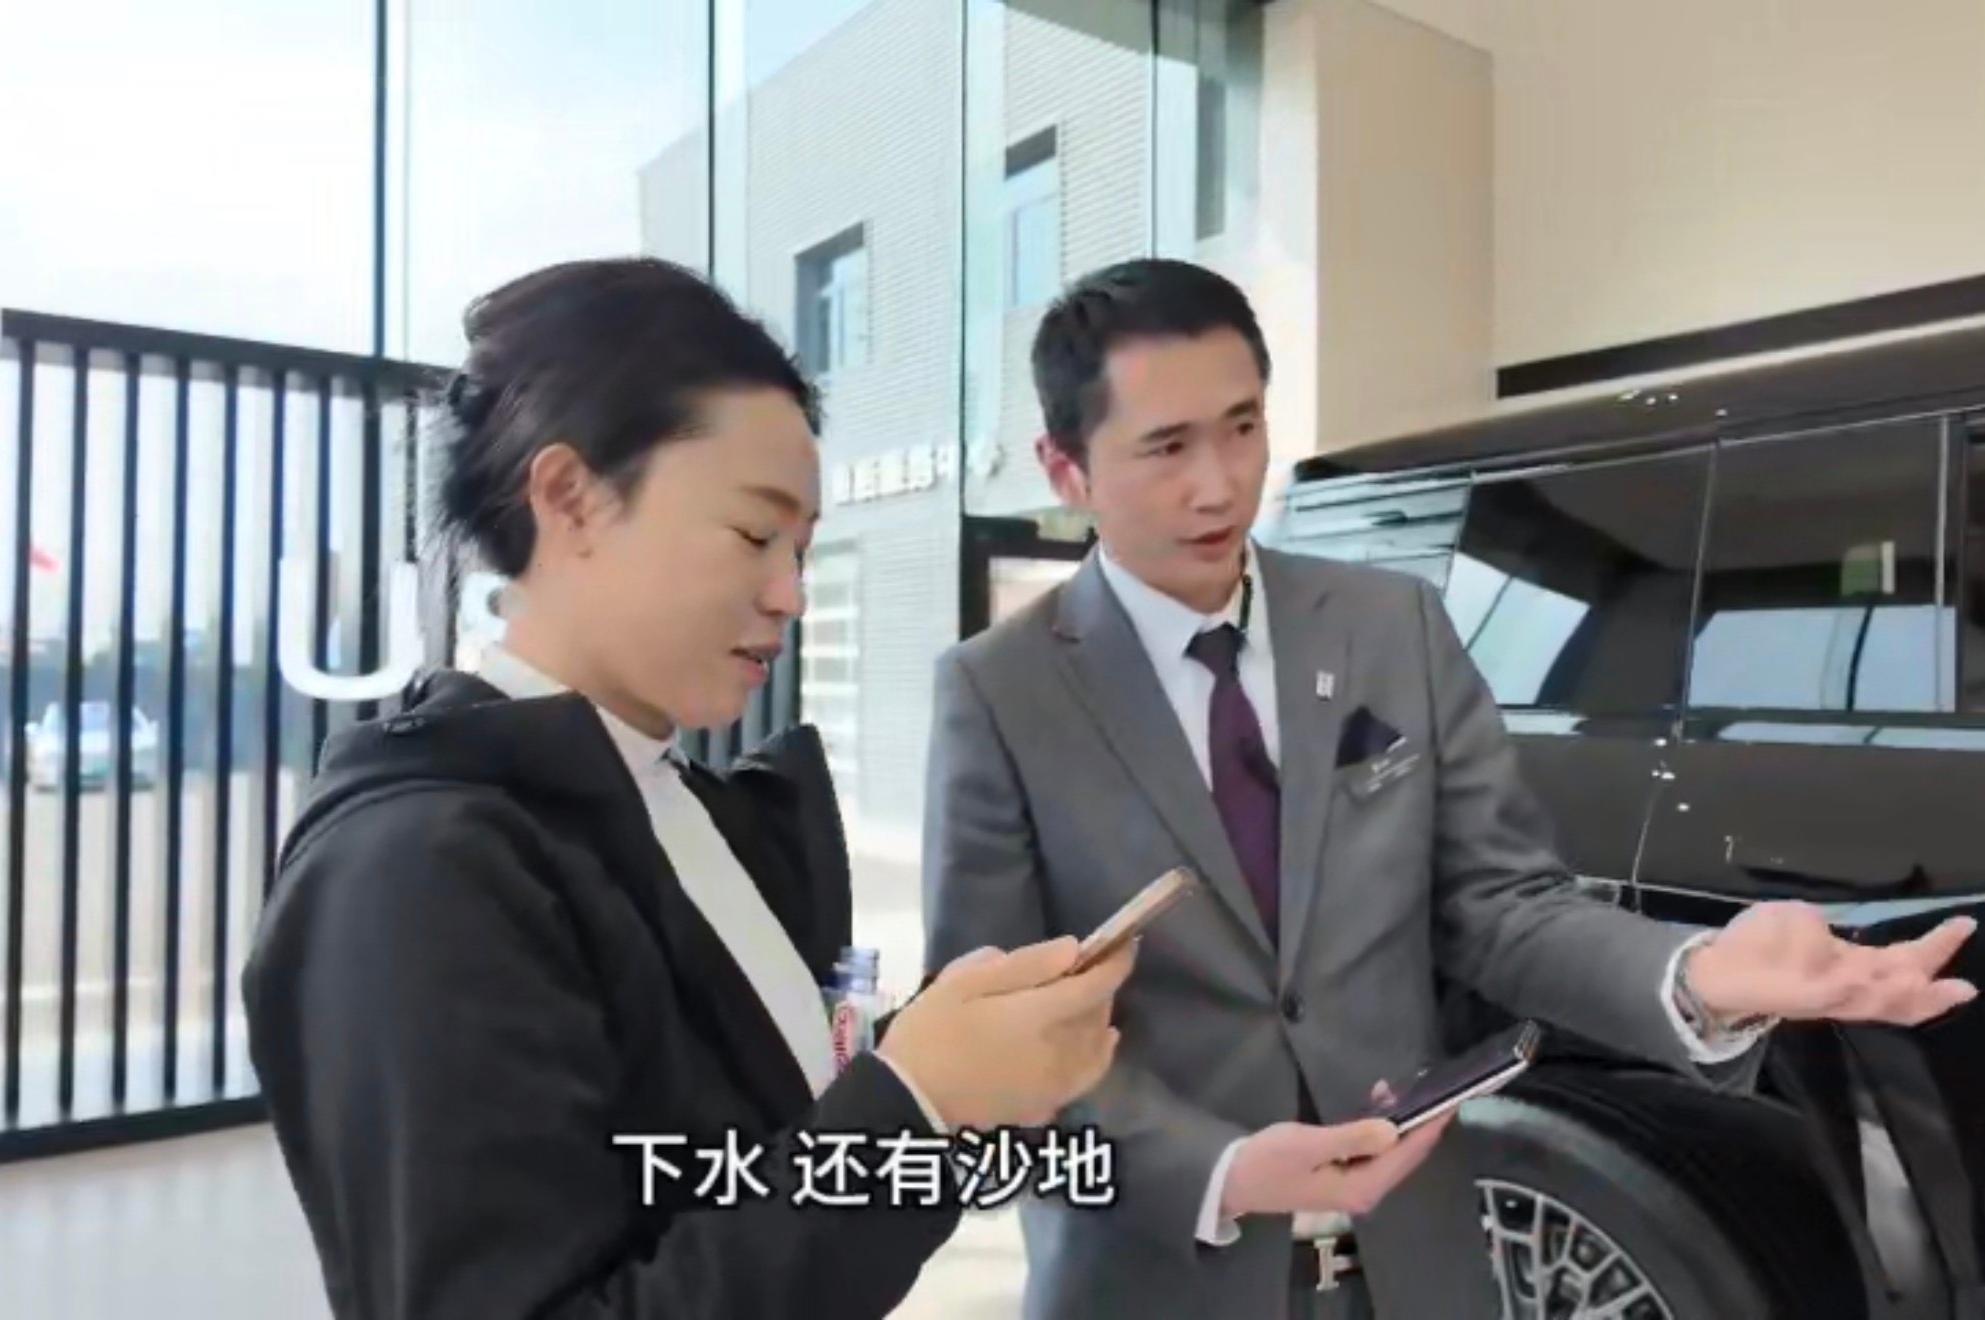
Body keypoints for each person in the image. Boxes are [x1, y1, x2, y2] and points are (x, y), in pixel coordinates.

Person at [920, 256, 1978, 1319]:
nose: (1221, 484)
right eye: (1167, 447)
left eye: (1243, 427)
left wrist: (1695, 974)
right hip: (1153, 1281)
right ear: (1066, 469)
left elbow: (1499, 907)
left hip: (1417, 1267)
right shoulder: (1001, 692)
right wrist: (1219, 1173)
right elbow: (988, 1055)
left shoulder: (1391, 626)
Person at [243, 256, 1138, 1320]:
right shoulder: (414, 872)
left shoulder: (688, 811)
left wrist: (949, 1068)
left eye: (802, 549)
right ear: (570, 498)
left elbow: (758, 1190)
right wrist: (917, 1099)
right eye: (755, 534)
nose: (790, 593)